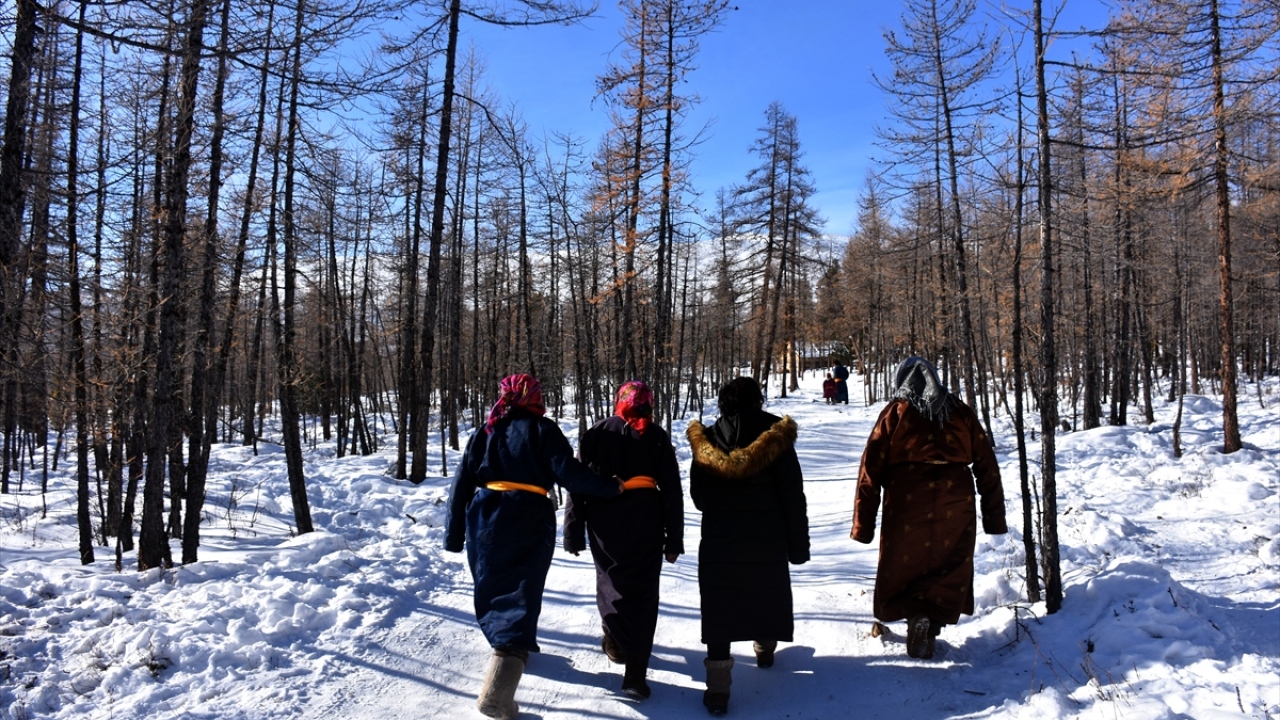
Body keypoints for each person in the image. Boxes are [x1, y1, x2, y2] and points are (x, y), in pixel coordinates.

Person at [444, 374, 623, 720]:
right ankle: (501, 683)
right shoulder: (542, 430)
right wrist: (609, 487)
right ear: (535, 398)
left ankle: (505, 646)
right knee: (522, 589)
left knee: (492, 583)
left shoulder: (486, 431)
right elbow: (568, 473)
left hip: (484, 517)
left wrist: (453, 534)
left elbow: (461, 483)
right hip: (528, 515)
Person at [850, 356, 1007, 660]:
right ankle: (930, 622)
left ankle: (915, 616)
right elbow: (987, 465)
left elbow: (870, 469)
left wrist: (863, 525)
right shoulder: (959, 411)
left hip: (907, 497)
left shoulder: (894, 413)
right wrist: (994, 517)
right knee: (948, 562)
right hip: (955, 497)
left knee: (904, 562)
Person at [686, 376, 809, 716]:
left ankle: (718, 690)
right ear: (758, 401)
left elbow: (698, 499)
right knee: (764, 594)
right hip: (766, 539)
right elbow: (791, 496)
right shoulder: (777, 437)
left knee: (719, 609)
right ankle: (764, 648)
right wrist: (798, 546)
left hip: (719, 541)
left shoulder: (707, 441)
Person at [564, 381, 684, 700]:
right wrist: (674, 539)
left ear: (621, 401)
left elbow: (578, 485)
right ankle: (635, 673)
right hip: (647, 518)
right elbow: (671, 490)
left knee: (610, 583)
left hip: (605, 521)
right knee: (644, 593)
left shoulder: (596, 433)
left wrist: (574, 530)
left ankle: (615, 640)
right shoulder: (656, 437)